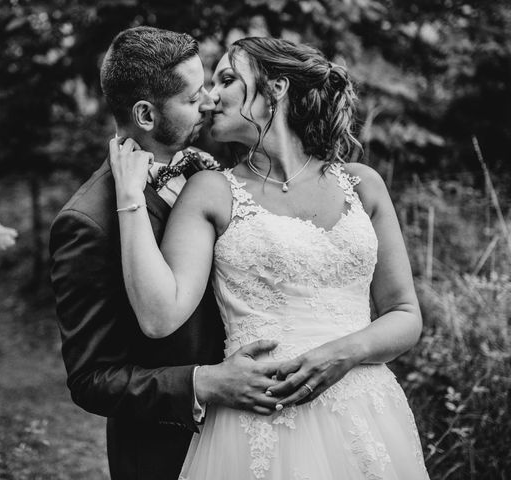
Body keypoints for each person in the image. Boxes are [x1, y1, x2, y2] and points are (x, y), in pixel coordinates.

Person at [110, 37, 430, 479]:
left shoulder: (363, 185)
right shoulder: (211, 190)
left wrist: (344, 353)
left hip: (368, 409)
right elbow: (159, 315)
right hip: (262, 421)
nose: (210, 97)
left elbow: (405, 314)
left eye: (227, 80)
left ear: (276, 89)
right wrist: (128, 199)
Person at [50, 28, 299, 480]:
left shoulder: (210, 165)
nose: (208, 101)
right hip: (167, 453)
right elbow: (91, 380)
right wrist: (202, 382)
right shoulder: (88, 222)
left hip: (260, 435)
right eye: (191, 98)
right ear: (145, 114)